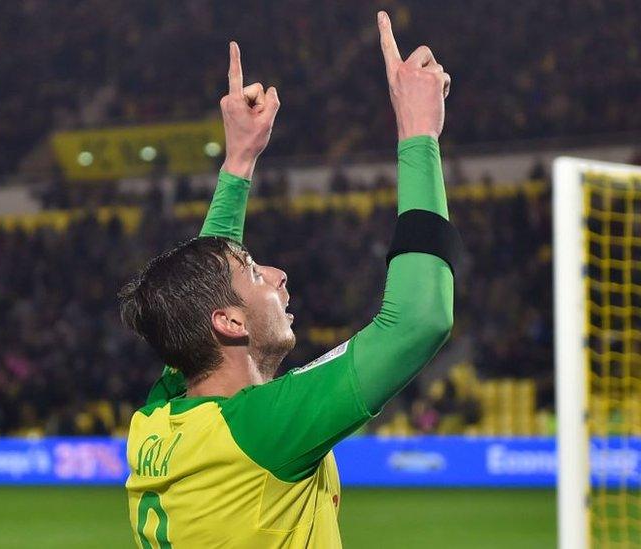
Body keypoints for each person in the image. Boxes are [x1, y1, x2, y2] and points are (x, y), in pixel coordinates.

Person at [118, 12, 458, 547]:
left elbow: (195, 296)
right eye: (255, 272)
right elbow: (418, 318)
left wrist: (239, 162)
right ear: (227, 321)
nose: (279, 276)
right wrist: (418, 133)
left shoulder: (159, 420)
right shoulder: (263, 431)